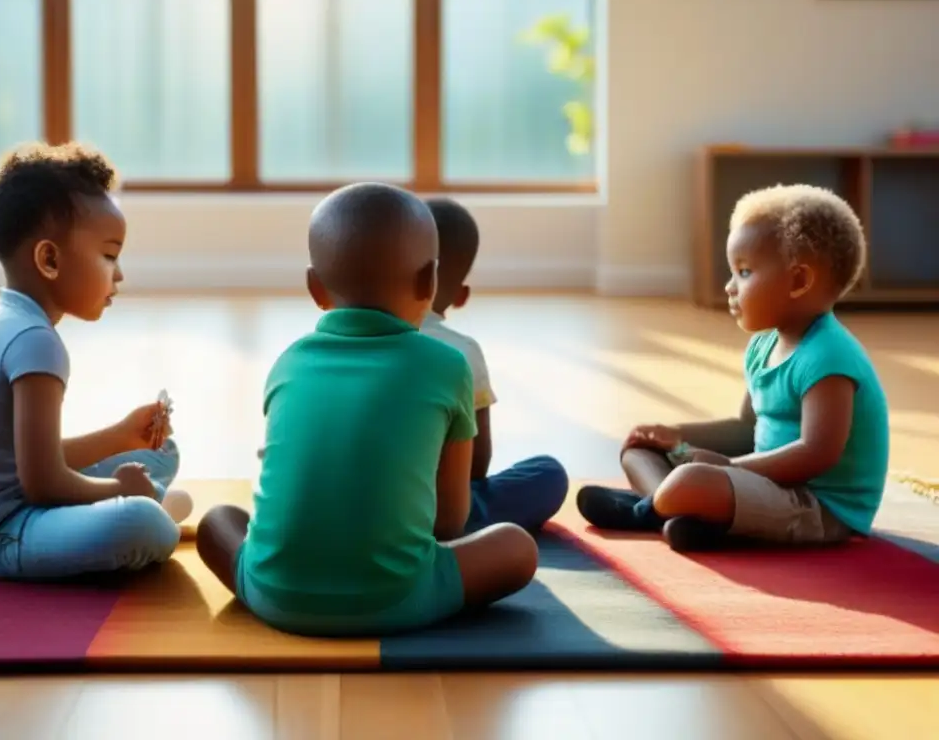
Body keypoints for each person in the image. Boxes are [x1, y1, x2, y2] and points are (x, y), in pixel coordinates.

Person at [197, 182, 538, 637]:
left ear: (315, 287)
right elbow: (449, 522)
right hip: (398, 599)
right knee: (517, 547)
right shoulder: (448, 365)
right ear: (429, 281)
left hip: (274, 597)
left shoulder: (288, 362)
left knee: (216, 522)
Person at [577, 184, 889, 553]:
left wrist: (731, 468)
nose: (729, 287)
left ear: (799, 281)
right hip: (760, 481)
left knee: (692, 480)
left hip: (816, 506)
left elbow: (817, 454)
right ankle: (692, 517)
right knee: (640, 451)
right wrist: (675, 435)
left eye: (743, 272)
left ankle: (650, 510)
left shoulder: (829, 357)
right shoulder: (763, 346)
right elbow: (747, 426)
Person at [0, 142, 192, 580]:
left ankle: (152, 501)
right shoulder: (35, 341)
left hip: (15, 495)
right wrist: (119, 491)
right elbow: (44, 483)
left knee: (160, 451)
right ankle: (153, 512)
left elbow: (30, 459)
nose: (120, 273)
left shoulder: (12, 319)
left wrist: (121, 435)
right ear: (49, 259)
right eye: (109, 255)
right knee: (138, 524)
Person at [421, 197, 568, 533]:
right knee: (547, 474)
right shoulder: (462, 353)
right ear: (462, 295)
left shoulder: (323, 349)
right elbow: (476, 465)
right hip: (438, 517)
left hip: (352, 511)